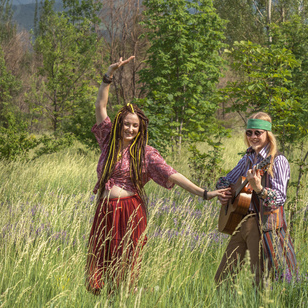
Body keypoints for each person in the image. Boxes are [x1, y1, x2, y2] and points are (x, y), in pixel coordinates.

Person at [86, 56, 226, 295]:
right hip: (104, 210)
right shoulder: (107, 141)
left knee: (124, 262)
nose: (130, 129)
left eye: (135, 126)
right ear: (119, 123)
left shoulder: (146, 154)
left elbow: (173, 175)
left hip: (129, 211)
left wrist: (204, 193)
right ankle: (107, 306)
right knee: (101, 260)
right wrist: (108, 75)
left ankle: (129, 300)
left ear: (141, 129)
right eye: (127, 124)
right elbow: (100, 106)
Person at [215, 112, 296, 286]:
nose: (253, 137)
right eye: (249, 132)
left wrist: (259, 189)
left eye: (258, 132)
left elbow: (280, 198)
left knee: (260, 281)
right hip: (241, 221)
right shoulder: (248, 158)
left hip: (263, 226)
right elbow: (225, 180)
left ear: (268, 134)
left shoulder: (277, 161)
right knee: (223, 277)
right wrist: (224, 193)